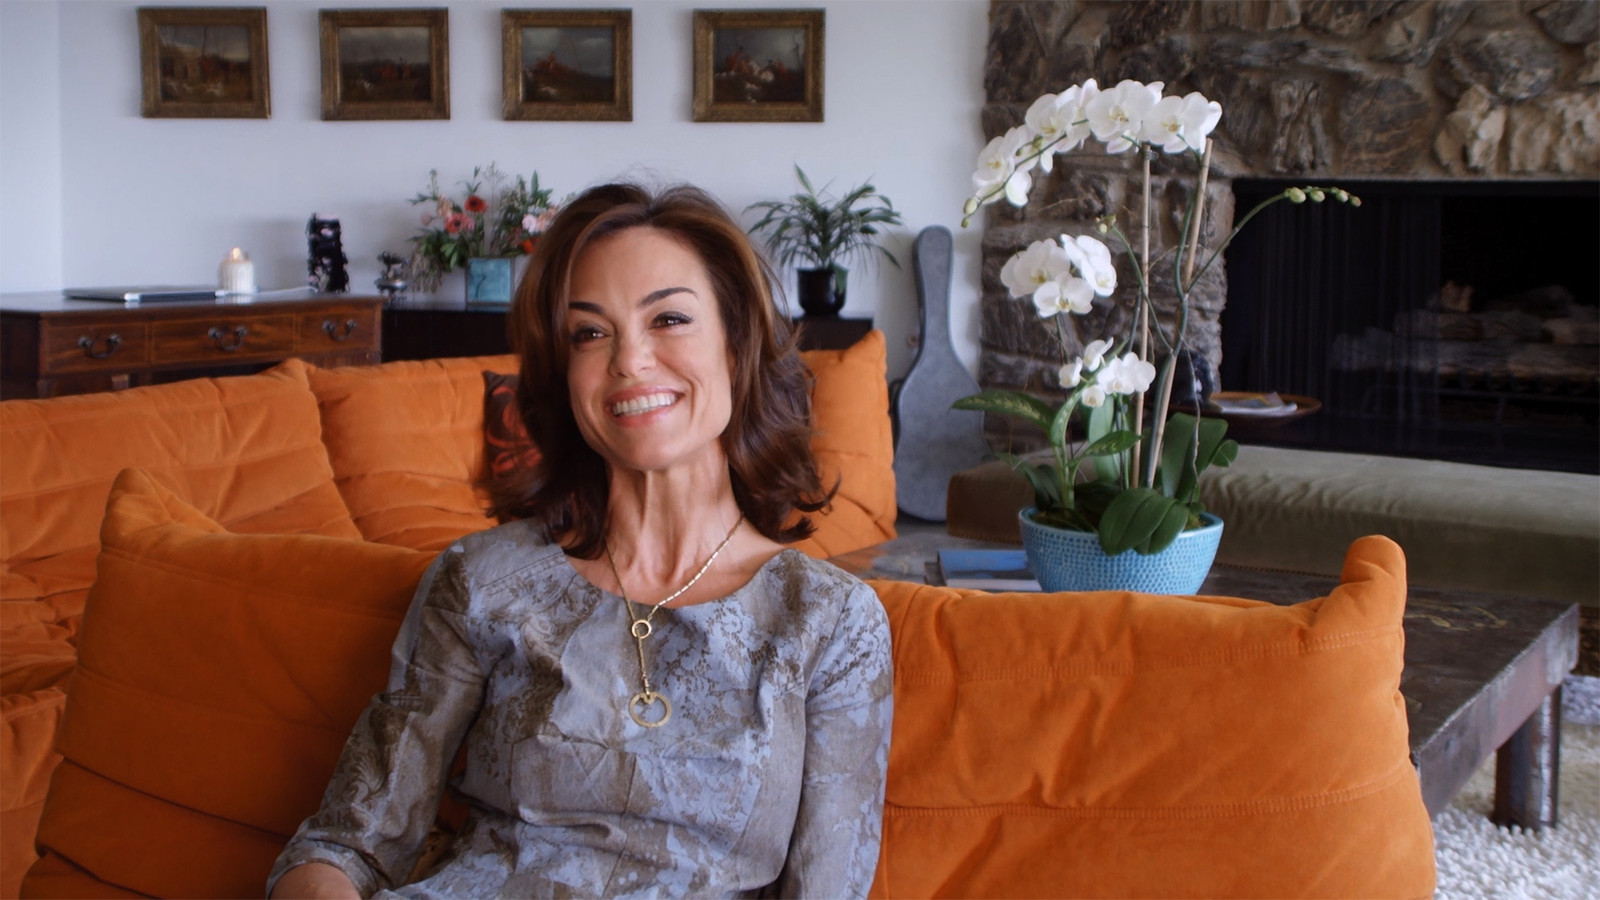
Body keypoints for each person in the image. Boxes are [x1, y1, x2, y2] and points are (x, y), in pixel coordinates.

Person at [267, 183, 894, 898]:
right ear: (564, 374)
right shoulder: (482, 581)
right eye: (590, 333)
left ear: (737, 345)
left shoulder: (829, 623)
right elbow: (345, 845)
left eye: (669, 318)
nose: (630, 360)